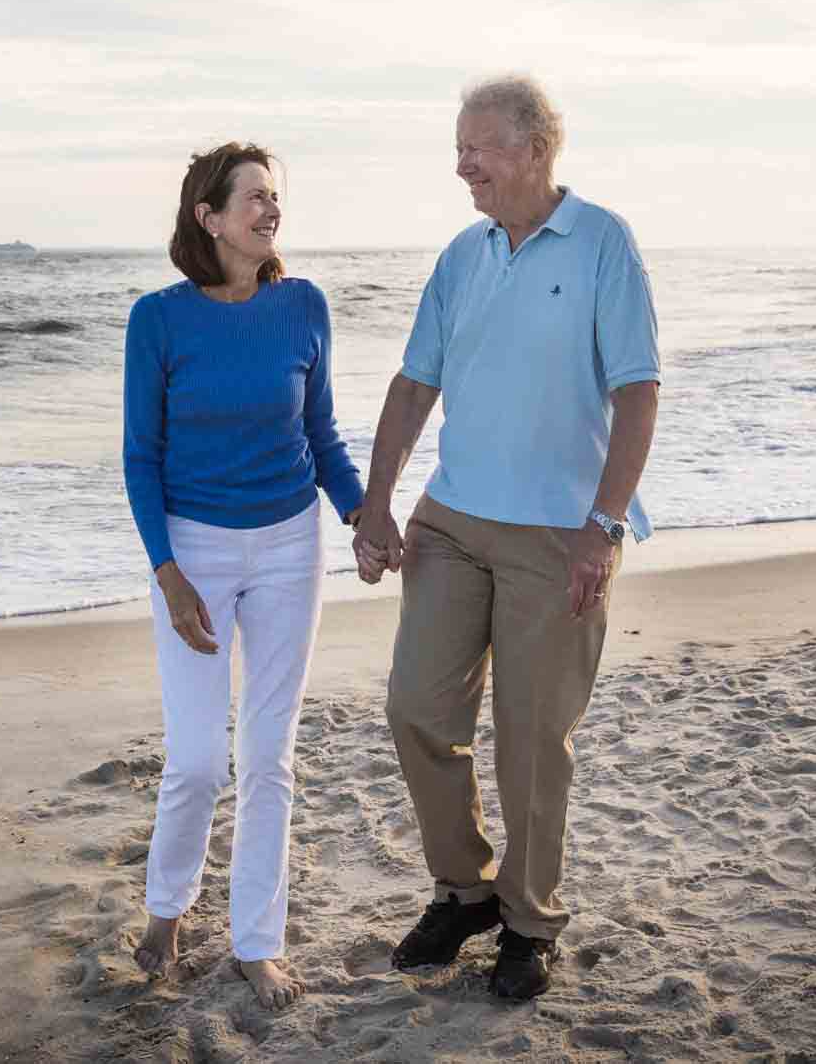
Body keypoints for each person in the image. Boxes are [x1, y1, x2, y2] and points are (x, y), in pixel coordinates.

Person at [352, 74, 660, 1001]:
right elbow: (415, 386)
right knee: (416, 708)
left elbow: (638, 392)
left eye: (477, 146)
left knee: (532, 738)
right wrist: (377, 501)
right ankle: (463, 889)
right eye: (458, 146)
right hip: (452, 520)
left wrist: (602, 528)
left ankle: (528, 920)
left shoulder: (603, 242)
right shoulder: (463, 253)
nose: (462, 164)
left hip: (559, 531)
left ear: (535, 147)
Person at [121, 141, 367, 1011]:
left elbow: (324, 433)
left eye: (275, 198)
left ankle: (257, 942)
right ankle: (167, 907)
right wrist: (168, 572)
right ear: (209, 216)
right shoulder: (159, 319)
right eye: (254, 198)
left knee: (269, 756)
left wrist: (361, 515)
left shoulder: (304, 307)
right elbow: (140, 459)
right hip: (194, 550)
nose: (270, 210)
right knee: (195, 760)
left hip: (291, 545)